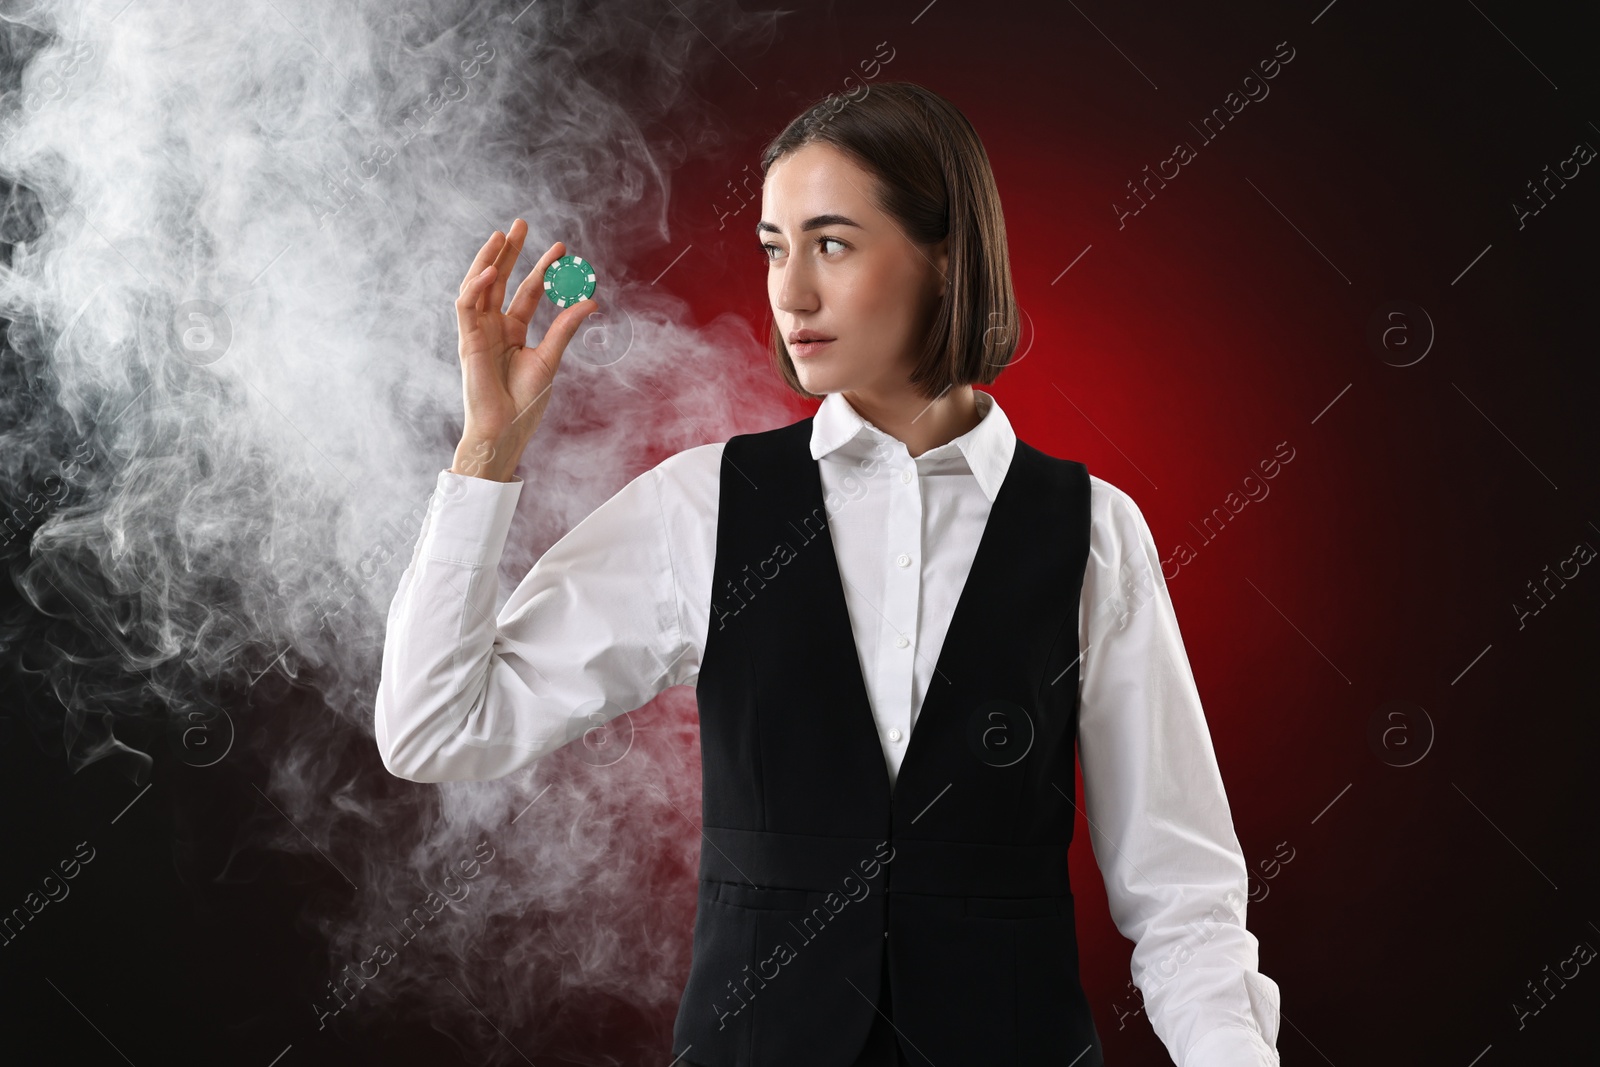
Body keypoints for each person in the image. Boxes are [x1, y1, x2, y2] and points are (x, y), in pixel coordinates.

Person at [376, 82, 1281, 1067]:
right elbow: (436, 725)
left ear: (944, 257)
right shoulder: (701, 505)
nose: (789, 291)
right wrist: (487, 451)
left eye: (831, 243)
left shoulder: (1094, 531)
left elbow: (1182, 901)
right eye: (774, 246)